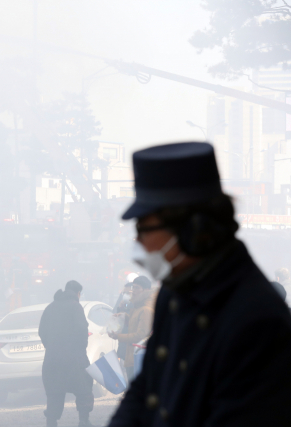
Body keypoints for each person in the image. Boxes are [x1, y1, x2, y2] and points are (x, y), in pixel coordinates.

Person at [108, 142, 291, 427]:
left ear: (194, 229)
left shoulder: (258, 320)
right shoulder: (175, 292)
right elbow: (146, 389)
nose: (139, 244)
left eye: (144, 230)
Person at [38, 281, 94, 427]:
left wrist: (51, 347)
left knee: (54, 392)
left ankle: (51, 421)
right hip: (75, 358)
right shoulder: (76, 306)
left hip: (52, 359)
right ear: (78, 293)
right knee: (84, 388)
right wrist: (81, 348)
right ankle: (83, 420)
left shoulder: (50, 307)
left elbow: (42, 332)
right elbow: (82, 330)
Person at [108, 276, 154, 382]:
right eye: (133, 287)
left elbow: (140, 335)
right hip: (132, 358)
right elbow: (135, 324)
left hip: (139, 360)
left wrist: (118, 336)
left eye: (137, 288)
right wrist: (124, 316)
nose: (133, 291)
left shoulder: (146, 309)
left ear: (146, 290)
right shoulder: (137, 307)